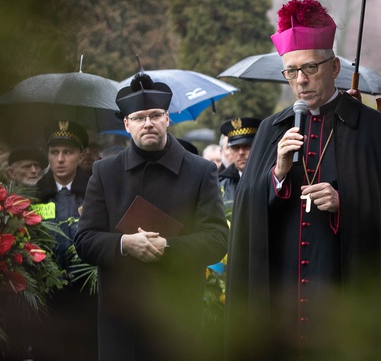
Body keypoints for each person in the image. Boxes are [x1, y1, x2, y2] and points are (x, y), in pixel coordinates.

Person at [225, 0, 381, 360]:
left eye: (310, 68)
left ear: (333, 67)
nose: (300, 80)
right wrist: (278, 174)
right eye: (291, 71)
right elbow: (248, 218)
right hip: (282, 296)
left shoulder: (374, 128)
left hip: (345, 291)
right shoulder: (272, 129)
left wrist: (346, 202)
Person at [74, 73, 229, 361]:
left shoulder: (200, 170)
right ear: (126, 123)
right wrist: (125, 244)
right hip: (122, 320)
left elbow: (218, 240)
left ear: (167, 119)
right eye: (139, 117)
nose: (148, 123)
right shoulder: (105, 172)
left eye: (156, 115)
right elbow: (84, 240)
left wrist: (168, 247)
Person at [34, 120, 97, 361]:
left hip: (87, 295)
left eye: (67, 152)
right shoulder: (34, 197)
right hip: (47, 295)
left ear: (81, 156)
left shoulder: (94, 192)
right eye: (54, 152)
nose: (60, 159)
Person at [218, 117, 260, 212]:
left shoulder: (272, 178)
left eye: (246, 146)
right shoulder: (221, 185)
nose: (241, 152)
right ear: (229, 150)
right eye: (235, 147)